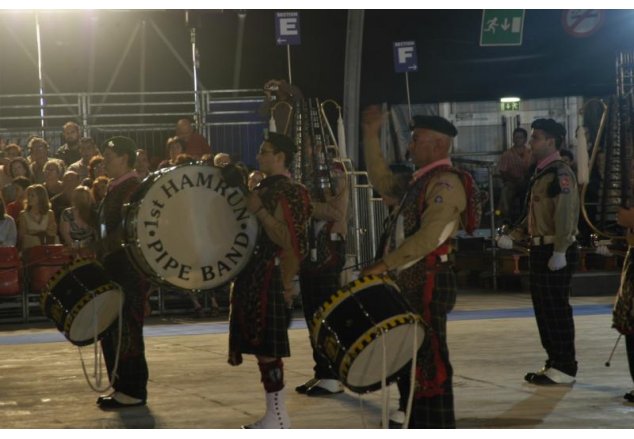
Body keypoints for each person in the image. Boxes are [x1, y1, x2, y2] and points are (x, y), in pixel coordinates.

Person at [360, 105, 468, 428]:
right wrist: (370, 135)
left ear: (438, 145)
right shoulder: (417, 181)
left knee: (430, 356)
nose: (409, 145)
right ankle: (416, 417)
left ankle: (436, 423)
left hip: (430, 281)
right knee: (411, 355)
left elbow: (429, 238)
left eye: (416, 139)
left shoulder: (445, 183)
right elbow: (381, 181)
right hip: (411, 281)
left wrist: (384, 265)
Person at [228, 131, 312, 429]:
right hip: (256, 275)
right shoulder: (264, 188)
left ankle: (278, 417)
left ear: (280, 157)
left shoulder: (290, 191)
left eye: (265, 151)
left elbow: (290, 240)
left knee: (269, 348)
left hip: (271, 277)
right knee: (263, 348)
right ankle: (274, 414)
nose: (258, 156)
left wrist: (260, 210)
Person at [497, 118, 580, 385]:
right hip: (540, 248)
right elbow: (533, 214)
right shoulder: (542, 172)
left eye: (536, 138)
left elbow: (566, 214)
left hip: (554, 250)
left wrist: (561, 249)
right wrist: (514, 235)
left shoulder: (560, 174)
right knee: (543, 309)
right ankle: (555, 361)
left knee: (555, 309)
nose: (531, 143)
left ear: (551, 142)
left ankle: (566, 365)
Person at [95, 136, 148, 409]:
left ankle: (133, 388)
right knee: (114, 329)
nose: (104, 160)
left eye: (109, 155)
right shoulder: (117, 187)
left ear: (125, 158)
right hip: (114, 267)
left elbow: (130, 229)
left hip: (127, 268)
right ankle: (121, 386)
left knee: (127, 328)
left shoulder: (133, 188)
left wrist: (104, 248)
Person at [296, 155, 349, 396]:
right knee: (312, 313)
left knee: (325, 313)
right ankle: (322, 369)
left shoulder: (333, 171)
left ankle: (332, 374)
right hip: (311, 254)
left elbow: (335, 211)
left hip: (328, 252)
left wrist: (305, 205)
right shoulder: (306, 171)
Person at [496, 127, 532, 225]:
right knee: (506, 191)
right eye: (516, 137)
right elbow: (503, 172)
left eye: (520, 137)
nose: (518, 139)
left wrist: (526, 179)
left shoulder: (531, 153)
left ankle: (529, 218)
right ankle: (504, 218)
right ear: (513, 138)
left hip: (528, 182)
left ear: (525, 139)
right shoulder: (507, 154)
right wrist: (515, 180)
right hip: (512, 183)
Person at [17, 184, 59, 251]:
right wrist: (41, 233)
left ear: (41, 197)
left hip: (47, 247)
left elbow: (52, 232)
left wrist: (33, 232)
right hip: (30, 249)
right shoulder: (23, 215)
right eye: (28, 195)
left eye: (32, 196)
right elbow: (22, 236)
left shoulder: (50, 213)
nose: (29, 198)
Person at [59, 186, 97, 258]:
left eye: (85, 198)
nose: (83, 200)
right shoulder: (67, 213)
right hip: (72, 251)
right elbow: (66, 235)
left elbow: (96, 236)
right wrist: (77, 251)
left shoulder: (93, 214)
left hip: (90, 252)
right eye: (80, 197)